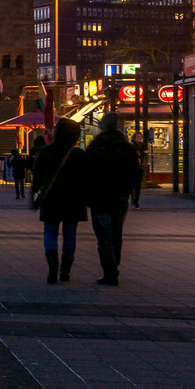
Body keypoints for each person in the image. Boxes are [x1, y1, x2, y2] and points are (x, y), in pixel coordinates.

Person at [85, 113, 143, 286]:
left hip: (100, 197)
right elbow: (136, 172)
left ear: (103, 125)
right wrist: (128, 190)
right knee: (116, 233)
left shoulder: (96, 145)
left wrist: (88, 194)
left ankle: (110, 271)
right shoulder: (126, 147)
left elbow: (86, 172)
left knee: (104, 235)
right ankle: (114, 266)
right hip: (120, 197)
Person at [31, 118, 87, 284]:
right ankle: (65, 271)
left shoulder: (45, 152)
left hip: (51, 200)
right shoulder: (79, 155)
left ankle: (52, 261)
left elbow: (37, 177)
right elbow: (86, 179)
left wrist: (35, 198)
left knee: (50, 233)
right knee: (70, 235)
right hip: (74, 201)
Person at [130, 130, 147, 207]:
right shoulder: (132, 145)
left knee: (138, 185)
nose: (139, 138)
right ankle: (133, 200)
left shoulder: (143, 145)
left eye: (140, 137)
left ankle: (136, 201)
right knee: (133, 184)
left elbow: (145, 156)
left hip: (140, 167)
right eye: (138, 137)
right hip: (133, 167)